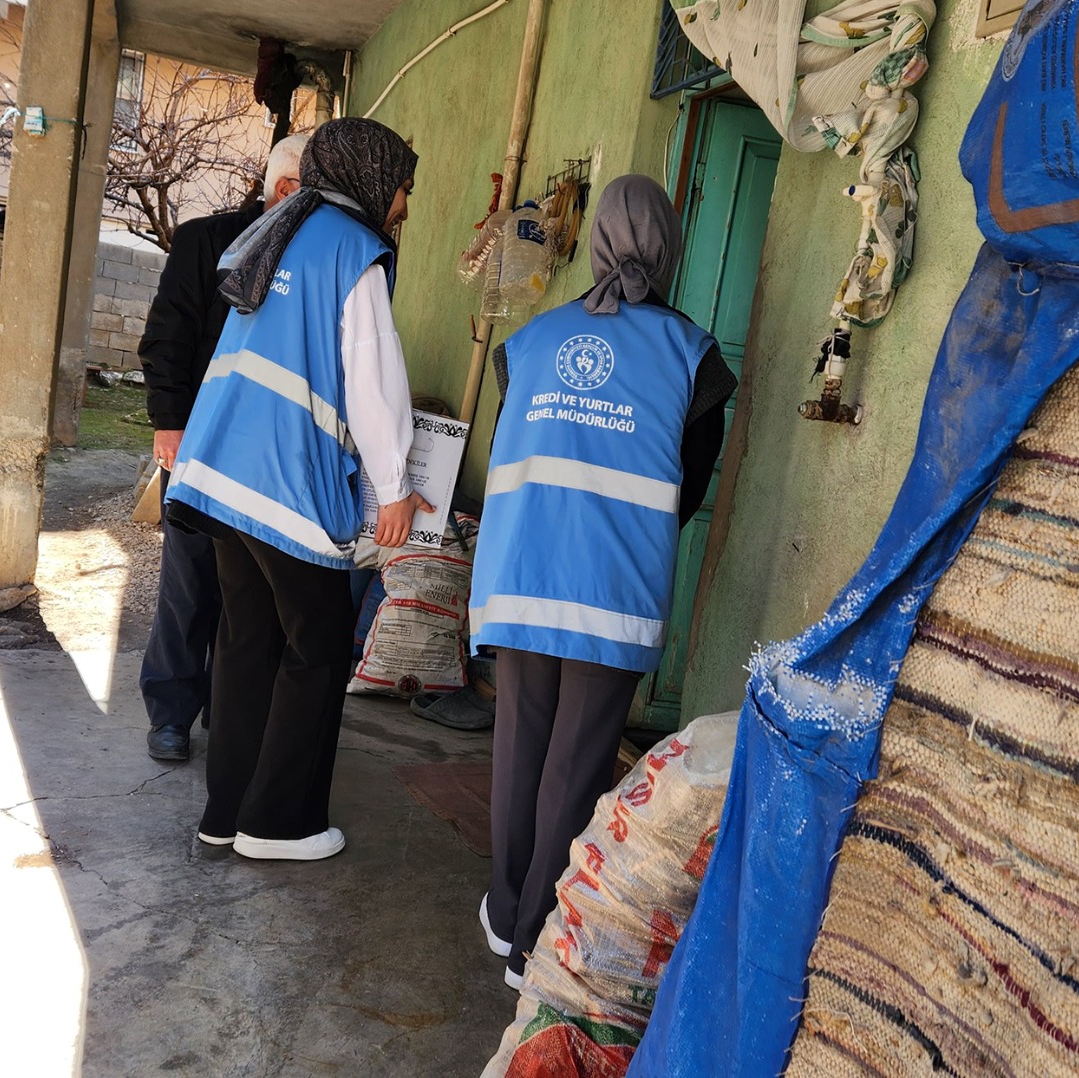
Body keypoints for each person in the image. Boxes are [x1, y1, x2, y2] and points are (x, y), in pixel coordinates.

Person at [468, 174, 737, 989]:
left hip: (522, 575)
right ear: (669, 248)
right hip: (612, 588)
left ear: (596, 247)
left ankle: (504, 910)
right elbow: (689, 486)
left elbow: (510, 450)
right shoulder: (695, 358)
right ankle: (535, 942)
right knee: (577, 764)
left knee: (519, 747)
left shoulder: (531, 343)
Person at [163, 118, 431, 861]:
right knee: (318, 645)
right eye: (404, 187)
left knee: (246, 640)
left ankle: (225, 813)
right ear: (372, 178)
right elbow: (372, 379)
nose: (405, 205)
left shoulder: (279, 227)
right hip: (286, 482)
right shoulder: (355, 250)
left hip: (223, 470)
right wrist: (394, 487)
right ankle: (279, 824)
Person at [139, 134, 310, 763]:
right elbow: (168, 336)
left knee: (251, 590)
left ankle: (228, 708)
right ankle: (171, 711)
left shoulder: (315, 255)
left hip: (272, 453)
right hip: (201, 441)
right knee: (190, 578)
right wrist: (169, 422)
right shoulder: (206, 241)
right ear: (286, 190)